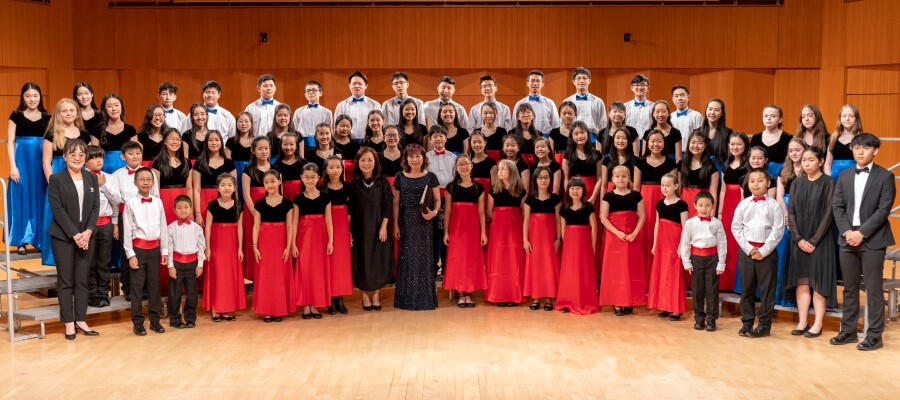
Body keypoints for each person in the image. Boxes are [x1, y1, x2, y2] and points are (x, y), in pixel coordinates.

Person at [830, 133, 895, 351]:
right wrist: (847, 231)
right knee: (849, 288)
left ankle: (874, 336)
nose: (860, 151)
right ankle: (848, 331)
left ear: (875, 151)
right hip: (847, 238)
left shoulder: (885, 176)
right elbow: (837, 206)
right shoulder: (845, 175)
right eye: (856, 147)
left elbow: (883, 210)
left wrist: (862, 233)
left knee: (873, 289)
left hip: (873, 239)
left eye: (865, 148)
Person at [47, 139, 100, 340]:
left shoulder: (91, 178)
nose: (77, 158)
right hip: (63, 237)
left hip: (86, 236)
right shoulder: (56, 179)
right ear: (65, 156)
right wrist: (75, 234)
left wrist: (88, 231)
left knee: (82, 280)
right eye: (72, 154)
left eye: (81, 154)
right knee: (66, 281)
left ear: (86, 157)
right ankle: (69, 322)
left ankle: (81, 319)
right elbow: (57, 209)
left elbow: (95, 207)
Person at [785, 146, 836, 338]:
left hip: (820, 240)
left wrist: (814, 240)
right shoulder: (797, 183)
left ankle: (818, 323)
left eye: (811, 160)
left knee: (818, 281)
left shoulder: (829, 182)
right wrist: (798, 239)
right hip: (800, 240)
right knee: (802, 281)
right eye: (804, 160)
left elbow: (829, 213)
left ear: (821, 161)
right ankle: (802, 321)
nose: (806, 163)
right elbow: (791, 212)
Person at [42, 98, 95, 267]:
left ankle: (80, 244)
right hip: (59, 175)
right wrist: (53, 184)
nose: (68, 113)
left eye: (71, 110)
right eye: (64, 111)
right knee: (59, 215)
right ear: (58, 113)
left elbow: (88, 160)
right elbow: (46, 161)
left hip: (79, 177)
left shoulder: (84, 134)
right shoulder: (52, 134)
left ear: (77, 113)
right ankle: (54, 257)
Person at [732, 168, 784, 338]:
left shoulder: (774, 205)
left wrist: (763, 251)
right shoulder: (743, 204)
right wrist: (748, 248)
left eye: (760, 181)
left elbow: (778, 231)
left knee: (767, 290)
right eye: (752, 181)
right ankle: (747, 323)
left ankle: (764, 325)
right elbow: (736, 227)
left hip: (767, 253)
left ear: (768, 183)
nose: (756, 184)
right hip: (747, 252)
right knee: (747, 289)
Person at [392, 144, 441, 310]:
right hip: (406, 222)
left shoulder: (431, 176)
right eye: (411, 156)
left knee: (424, 258)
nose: (414, 159)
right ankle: (406, 299)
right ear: (406, 159)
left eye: (418, 156)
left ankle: (424, 298)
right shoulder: (400, 176)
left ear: (423, 158)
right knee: (407, 258)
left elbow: (437, 200)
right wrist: (396, 224)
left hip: (425, 221)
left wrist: (434, 213)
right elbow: (396, 202)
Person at [122, 167, 169, 336]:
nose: (145, 182)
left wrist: (165, 250)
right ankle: (138, 323)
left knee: (154, 286)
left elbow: (163, 226)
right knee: (137, 287)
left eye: (148, 179)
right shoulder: (130, 203)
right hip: (138, 249)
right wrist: (131, 254)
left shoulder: (158, 202)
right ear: (135, 182)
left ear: (153, 182)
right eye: (141, 179)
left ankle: (155, 321)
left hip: (154, 249)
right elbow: (127, 230)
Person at [7, 82, 50, 256]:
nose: (32, 99)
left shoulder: (47, 116)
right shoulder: (16, 115)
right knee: (21, 198)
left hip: (41, 162)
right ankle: (21, 241)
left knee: (41, 198)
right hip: (21, 162)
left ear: (40, 97)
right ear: (23, 98)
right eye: (28, 96)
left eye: (35, 96)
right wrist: (13, 166)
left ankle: (40, 239)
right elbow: (10, 142)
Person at [348, 147, 394, 311]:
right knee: (361, 261)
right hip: (359, 229)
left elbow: (388, 204)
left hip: (379, 227)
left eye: (370, 160)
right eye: (363, 160)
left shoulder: (382, 181)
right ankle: (364, 296)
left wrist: (384, 227)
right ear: (358, 163)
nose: (366, 163)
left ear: (375, 162)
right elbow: (350, 209)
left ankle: (375, 295)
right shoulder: (353, 183)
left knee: (378, 261)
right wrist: (348, 231)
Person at [598, 165, 646, 315]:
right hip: (615, 238)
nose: (621, 179)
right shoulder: (608, 196)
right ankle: (617, 302)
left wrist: (635, 233)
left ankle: (630, 300)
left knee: (631, 269)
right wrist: (617, 232)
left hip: (632, 237)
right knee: (616, 270)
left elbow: (642, 216)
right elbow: (603, 218)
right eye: (617, 176)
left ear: (629, 178)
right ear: (612, 179)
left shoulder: (636, 195)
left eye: (624, 176)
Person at [442, 154, 488, 308]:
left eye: (465, 164)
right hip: (456, 229)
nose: (463, 167)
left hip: (473, 229)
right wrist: (446, 232)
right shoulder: (451, 187)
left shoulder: (478, 188)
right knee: (458, 259)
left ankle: (469, 292)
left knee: (471, 260)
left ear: (471, 166)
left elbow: (481, 212)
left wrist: (483, 232)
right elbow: (447, 211)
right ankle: (461, 293)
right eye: (460, 164)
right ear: (456, 168)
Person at [252, 169, 296, 322]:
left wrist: (288, 247)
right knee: (266, 276)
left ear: (279, 181)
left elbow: (289, 226)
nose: (270, 185)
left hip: (281, 243)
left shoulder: (287, 203)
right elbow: (256, 226)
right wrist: (255, 246)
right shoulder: (259, 204)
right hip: (264, 244)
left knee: (280, 277)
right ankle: (267, 309)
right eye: (266, 182)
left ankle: (279, 309)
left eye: (272, 181)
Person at [679, 192, 727, 331]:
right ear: (695, 206)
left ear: (712, 206)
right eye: (700, 205)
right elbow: (685, 243)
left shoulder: (717, 223)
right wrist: (687, 262)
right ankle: (699, 319)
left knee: (712, 291)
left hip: (712, 259)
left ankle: (711, 319)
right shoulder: (690, 223)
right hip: (696, 259)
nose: (704, 208)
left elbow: (722, 243)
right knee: (697, 290)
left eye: (707, 205)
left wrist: (721, 263)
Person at [292, 164, 334, 319]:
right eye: (306, 177)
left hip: (320, 239)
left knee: (317, 271)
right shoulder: (298, 199)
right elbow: (294, 223)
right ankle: (306, 305)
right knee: (304, 270)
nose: (309, 180)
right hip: (303, 240)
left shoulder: (325, 197)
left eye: (313, 177)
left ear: (318, 178)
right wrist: (293, 244)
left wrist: (330, 241)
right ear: (301, 178)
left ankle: (315, 304)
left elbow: (329, 221)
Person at [203, 174, 246, 322]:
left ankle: (226, 309)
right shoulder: (212, 205)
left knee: (229, 277)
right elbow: (208, 227)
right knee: (217, 276)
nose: (226, 188)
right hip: (217, 245)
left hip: (232, 245)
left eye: (229, 185)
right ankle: (216, 309)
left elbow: (240, 227)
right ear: (217, 188)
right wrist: (208, 248)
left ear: (234, 188)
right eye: (223, 185)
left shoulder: (239, 205)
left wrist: (240, 248)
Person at [485, 159, 527, 307]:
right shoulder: (494, 190)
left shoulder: (521, 191)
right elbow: (489, 211)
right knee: (499, 260)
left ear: (512, 171)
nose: (500, 171)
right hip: (498, 229)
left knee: (514, 260)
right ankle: (499, 295)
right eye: (499, 169)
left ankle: (513, 295)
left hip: (515, 229)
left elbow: (523, 212)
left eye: (503, 168)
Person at [556, 178, 599, 315]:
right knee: (569, 272)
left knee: (583, 271)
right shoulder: (564, 208)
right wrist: (565, 245)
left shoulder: (588, 207)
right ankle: (566, 301)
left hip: (584, 243)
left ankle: (584, 301)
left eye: (578, 188)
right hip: (570, 244)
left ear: (584, 191)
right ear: (568, 191)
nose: (575, 191)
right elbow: (563, 229)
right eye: (572, 188)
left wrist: (592, 246)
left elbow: (594, 228)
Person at [648, 174, 688, 321]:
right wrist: (655, 244)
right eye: (662, 185)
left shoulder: (682, 205)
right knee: (662, 273)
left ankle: (676, 309)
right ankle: (664, 305)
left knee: (673, 274)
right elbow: (657, 224)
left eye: (668, 185)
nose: (664, 188)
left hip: (674, 242)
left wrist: (681, 245)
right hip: (662, 242)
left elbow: (685, 227)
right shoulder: (659, 204)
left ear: (676, 186)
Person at [523, 166, 561, 311]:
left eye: (546, 177)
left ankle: (549, 297)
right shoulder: (530, 200)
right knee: (535, 266)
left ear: (550, 180)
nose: (543, 180)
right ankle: (536, 297)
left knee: (549, 266)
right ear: (535, 180)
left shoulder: (555, 200)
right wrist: (525, 240)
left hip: (550, 239)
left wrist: (558, 238)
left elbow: (558, 221)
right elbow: (526, 220)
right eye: (540, 177)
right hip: (534, 239)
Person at [166, 195, 205, 329]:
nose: (183, 210)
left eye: (186, 207)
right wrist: (170, 266)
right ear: (174, 210)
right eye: (179, 208)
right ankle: (175, 320)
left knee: (192, 294)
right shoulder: (170, 228)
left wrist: (200, 264)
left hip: (192, 264)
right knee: (175, 294)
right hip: (176, 264)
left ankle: (190, 319)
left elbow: (201, 247)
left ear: (191, 209)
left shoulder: (196, 228)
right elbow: (169, 248)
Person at [84, 146, 116, 308]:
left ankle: (103, 292)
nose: (98, 161)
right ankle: (91, 293)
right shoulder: (81, 177)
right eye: (94, 157)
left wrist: (103, 185)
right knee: (89, 261)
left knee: (104, 261)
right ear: (85, 161)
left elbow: (117, 200)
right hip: (88, 224)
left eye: (101, 157)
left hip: (106, 223)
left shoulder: (109, 177)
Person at [324, 156, 352, 314]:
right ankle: (330, 298)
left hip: (342, 227)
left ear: (342, 169)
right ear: (326, 170)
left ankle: (340, 298)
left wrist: (348, 230)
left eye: (338, 167)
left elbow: (351, 210)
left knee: (341, 263)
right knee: (329, 262)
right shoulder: (321, 188)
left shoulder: (348, 187)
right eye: (331, 167)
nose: (335, 170)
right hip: (326, 226)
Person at [93, 93, 136, 174]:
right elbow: (93, 155)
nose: (114, 109)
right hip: (104, 171)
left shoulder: (130, 129)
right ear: (105, 109)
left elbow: (135, 154)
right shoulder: (97, 130)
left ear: (121, 107)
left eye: (116, 105)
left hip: (126, 172)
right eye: (109, 106)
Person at [334, 71, 381, 142]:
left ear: (366, 86)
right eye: (354, 84)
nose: (357, 86)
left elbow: (379, 126)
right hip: (347, 142)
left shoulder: (375, 105)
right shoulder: (341, 105)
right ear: (349, 85)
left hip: (369, 142)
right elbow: (336, 127)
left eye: (360, 84)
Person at [750, 104, 792, 177]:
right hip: (758, 176)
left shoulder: (787, 138)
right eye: (765, 116)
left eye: (773, 116)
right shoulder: (756, 137)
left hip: (781, 176)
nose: (768, 118)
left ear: (780, 119)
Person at [513, 70, 559, 135]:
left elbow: (556, 125)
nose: (535, 84)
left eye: (538, 81)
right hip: (524, 138)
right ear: (527, 83)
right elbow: (514, 124)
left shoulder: (550, 103)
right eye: (532, 81)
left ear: (542, 84)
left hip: (545, 139)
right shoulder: (519, 104)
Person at [824, 104, 862, 179]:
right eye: (844, 116)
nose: (847, 119)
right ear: (840, 119)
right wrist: (829, 179)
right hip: (834, 178)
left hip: (854, 177)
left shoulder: (861, 138)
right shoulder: (833, 138)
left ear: (856, 119)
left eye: (851, 116)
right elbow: (827, 164)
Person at [565, 67, 607, 135]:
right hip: (573, 137)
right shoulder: (567, 102)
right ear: (573, 81)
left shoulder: (598, 102)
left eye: (585, 78)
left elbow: (603, 125)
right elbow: (563, 123)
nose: (582, 81)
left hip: (593, 137)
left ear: (589, 80)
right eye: (578, 78)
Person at [292, 80, 333, 149]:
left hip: (320, 145)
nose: (311, 92)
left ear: (320, 93)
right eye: (308, 90)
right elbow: (294, 131)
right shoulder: (298, 111)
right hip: (301, 145)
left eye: (314, 90)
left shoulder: (327, 112)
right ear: (305, 94)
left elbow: (329, 132)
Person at [670, 85, 703, 154]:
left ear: (688, 97)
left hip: (690, 153)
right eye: (676, 96)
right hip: (673, 153)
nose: (679, 98)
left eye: (682, 95)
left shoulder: (696, 116)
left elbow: (700, 137)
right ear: (673, 99)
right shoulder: (670, 117)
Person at [136, 104, 167, 168]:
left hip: (165, 169)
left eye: (160, 115)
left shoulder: (168, 135)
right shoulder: (140, 136)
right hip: (146, 170)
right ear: (148, 117)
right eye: (154, 115)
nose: (157, 118)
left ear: (164, 117)